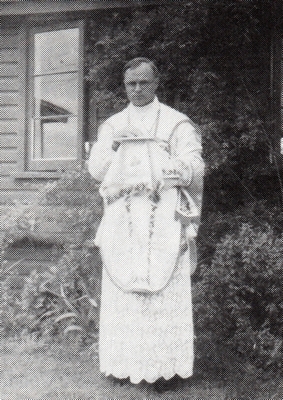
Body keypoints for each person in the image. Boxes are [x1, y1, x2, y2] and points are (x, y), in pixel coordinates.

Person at [88, 57, 204, 389]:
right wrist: (113, 144)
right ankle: (121, 365)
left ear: (156, 83)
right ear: (124, 86)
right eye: (130, 84)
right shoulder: (111, 125)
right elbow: (96, 170)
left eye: (143, 82)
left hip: (162, 219)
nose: (137, 89)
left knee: (162, 290)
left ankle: (165, 371)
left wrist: (176, 167)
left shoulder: (176, 123)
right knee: (124, 291)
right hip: (123, 221)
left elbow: (195, 164)